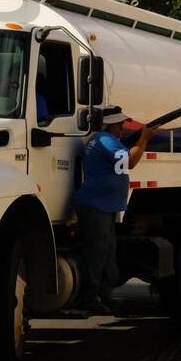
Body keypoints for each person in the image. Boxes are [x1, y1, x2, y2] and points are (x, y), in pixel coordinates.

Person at [73, 104, 159, 315]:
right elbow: (129, 162)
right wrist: (144, 138)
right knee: (97, 254)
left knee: (106, 253)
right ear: (110, 124)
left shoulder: (103, 140)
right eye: (120, 124)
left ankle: (103, 296)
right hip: (97, 207)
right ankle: (90, 298)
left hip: (101, 206)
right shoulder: (106, 141)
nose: (123, 127)